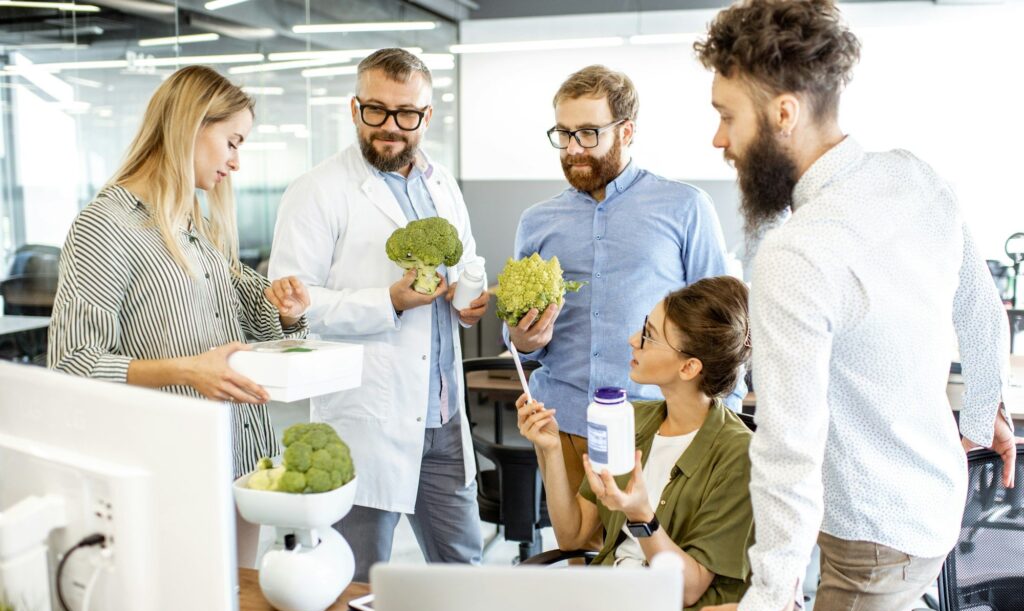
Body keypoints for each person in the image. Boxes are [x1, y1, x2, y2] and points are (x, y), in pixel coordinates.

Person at [680, 0, 1014, 611]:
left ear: (783, 112)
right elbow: (981, 309)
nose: (718, 140)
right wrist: (979, 418)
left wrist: (764, 604)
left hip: (869, 539)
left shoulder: (799, 252)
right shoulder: (913, 176)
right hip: (934, 502)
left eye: (726, 116)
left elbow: (788, 448)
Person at [269, 49, 489, 581]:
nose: (391, 126)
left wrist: (466, 306)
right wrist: (388, 301)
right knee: (359, 582)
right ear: (354, 108)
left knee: (466, 576)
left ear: (426, 117)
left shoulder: (443, 185)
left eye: (406, 113)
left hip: (443, 419)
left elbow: (466, 262)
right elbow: (290, 308)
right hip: (368, 423)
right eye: (376, 110)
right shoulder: (316, 191)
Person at [49, 65, 309, 480]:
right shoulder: (107, 225)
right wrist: (187, 370)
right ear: (191, 125)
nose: (236, 162)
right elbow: (73, 363)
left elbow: (252, 322)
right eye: (232, 142)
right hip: (172, 461)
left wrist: (285, 309)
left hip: (244, 447)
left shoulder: (194, 225)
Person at [506, 65, 740, 513]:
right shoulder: (537, 222)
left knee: (655, 566)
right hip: (563, 423)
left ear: (626, 131)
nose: (573, 148)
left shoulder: (685, 208)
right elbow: (520, 333)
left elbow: (724, 324)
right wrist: (520, 339)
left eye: (589, 133)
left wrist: (720, 421)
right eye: (564, 133)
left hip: (655, 425)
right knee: (581, 562)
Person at [517, 276, 754, 611]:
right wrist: (551, 449)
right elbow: (574, 536)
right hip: (608, 602)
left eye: (649, 337)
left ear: (689, 367)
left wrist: (641, 515)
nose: (632, 340)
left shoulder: (738, 454)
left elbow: (689, 590)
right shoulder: (631, 420)